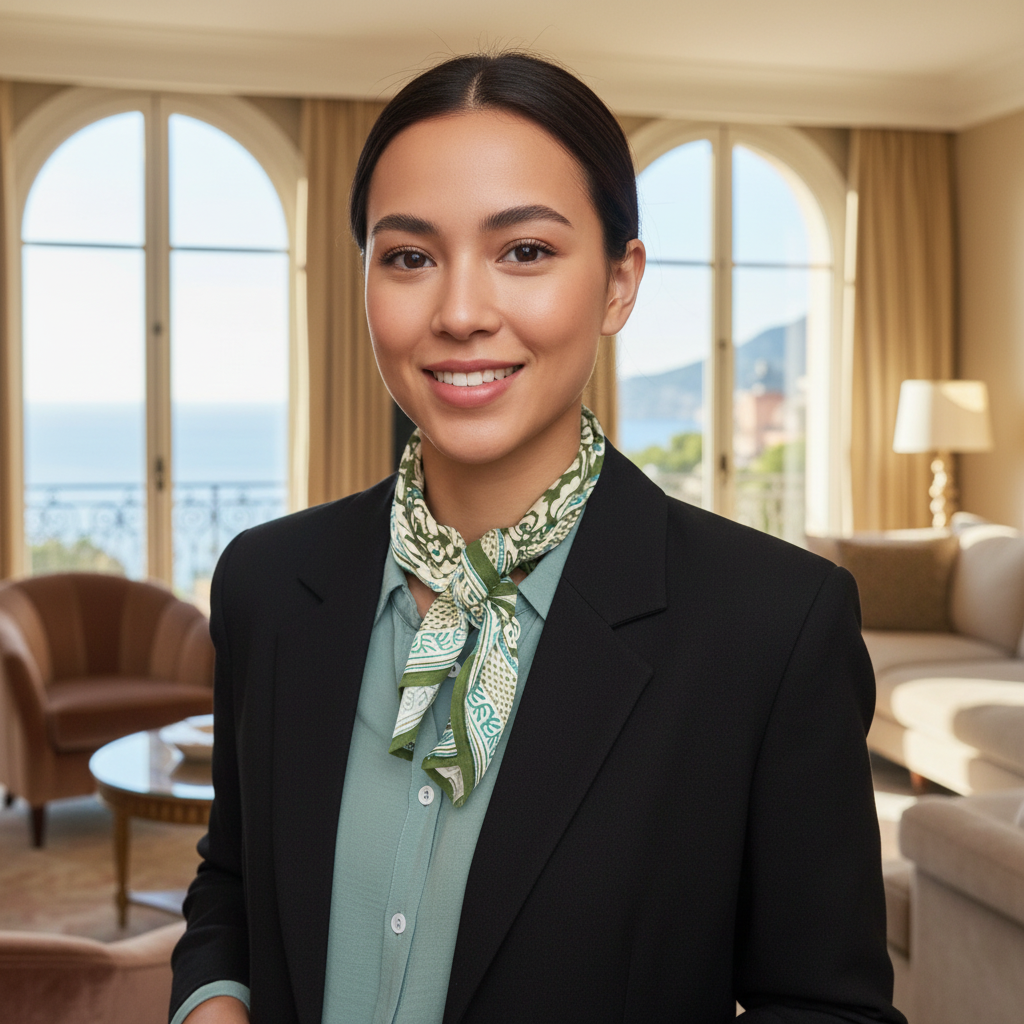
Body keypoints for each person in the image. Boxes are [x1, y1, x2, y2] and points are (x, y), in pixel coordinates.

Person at [170, 51, 905, 1024]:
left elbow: (824, 1006)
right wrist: (212, 1002)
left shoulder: (771, 628)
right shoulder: (265, 584)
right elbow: (231, 885)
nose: (461, 313)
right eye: (408, 256)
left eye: (523, 251)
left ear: (617, 283)